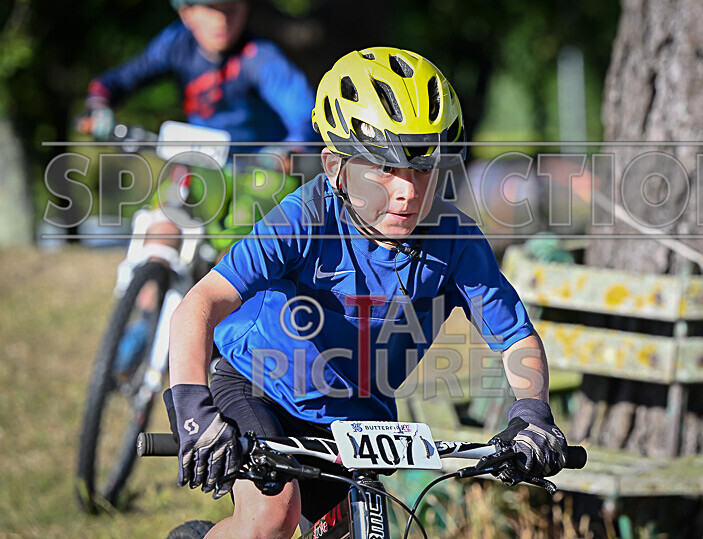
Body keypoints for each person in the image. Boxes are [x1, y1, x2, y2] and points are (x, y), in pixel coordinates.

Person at [166, 47, 568, 538]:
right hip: (256, 387)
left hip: (358, 422)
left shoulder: (454, 239)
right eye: (385, 169)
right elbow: (198, 306)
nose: (408, 192)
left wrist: (532, 414)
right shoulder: (307, 217)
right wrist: (191, 411)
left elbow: (515, 338)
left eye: (422, 168)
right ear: (336, 166)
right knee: (273, 517)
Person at [78, 0, 317, 255]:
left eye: (231, 9)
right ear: (186, 13)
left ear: (246, 9)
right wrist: (98, 106)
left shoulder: (259, 56)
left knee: (238, 251)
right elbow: (119, 80)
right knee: (161, 225)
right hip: (199, 163)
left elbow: (304, 112)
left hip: (260, 170)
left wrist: (294, 147)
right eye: (211, 9)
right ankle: (144, 286)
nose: (221, 20)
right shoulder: (175, 44)